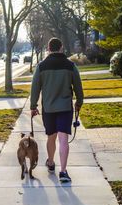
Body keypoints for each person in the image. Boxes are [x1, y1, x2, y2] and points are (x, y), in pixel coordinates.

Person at [30, 37, 83, 182]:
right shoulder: (70, 65)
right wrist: (79, 102)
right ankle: (63, 172)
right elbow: (78, 87)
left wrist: (33, 106)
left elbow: (35, 88)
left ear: (48, 48)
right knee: (63, 138)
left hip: (49, 108)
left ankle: (51, 163)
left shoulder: (41, 66)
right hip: (65, 108)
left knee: (51, 137)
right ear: (61, 48)